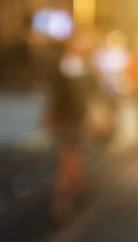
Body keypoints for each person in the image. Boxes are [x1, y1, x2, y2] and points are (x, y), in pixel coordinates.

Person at [46, 29, 97, 224]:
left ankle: (63, 202)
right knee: (67, 159)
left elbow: (92, 97)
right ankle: (69, 198)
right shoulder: (60, 68)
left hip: (79, 121)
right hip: (63, 120)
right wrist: (50, 114)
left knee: (68, 159)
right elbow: (54, 96)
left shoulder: (87, 70)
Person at [92, 30, 130, 145]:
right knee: (105, 109)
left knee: (117, 109)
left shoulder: (122, 53)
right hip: (104, 85)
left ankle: (117, 132)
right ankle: (105, 131)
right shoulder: (101, 52)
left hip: (118, 86)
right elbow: (96, 67)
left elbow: (125, 69)